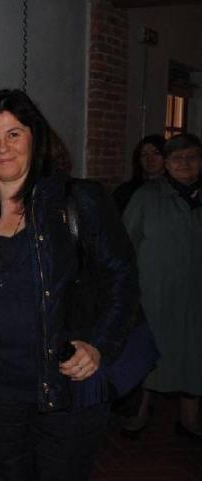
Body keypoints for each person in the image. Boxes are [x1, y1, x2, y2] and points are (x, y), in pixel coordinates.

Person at [0, 89, 139, 481]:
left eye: (14, 134)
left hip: (66, 385)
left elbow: (122, 279)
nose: (3, 148)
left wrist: (99, 344)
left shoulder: (78, 201)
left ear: (35, 139)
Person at [123, 133, 202, 439]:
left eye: (192, 157)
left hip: (195, 296)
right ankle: (139, 413)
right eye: (177, 158)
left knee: (195, 356)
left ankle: (189, 418)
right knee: (149, 355)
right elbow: (125, 244)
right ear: (166, 163)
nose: (185, 163)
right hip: (156, 295)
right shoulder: (146, 197)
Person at [112, 134, 166, 212]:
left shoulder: (174, 189)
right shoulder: (125, 192)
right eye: (144, 154)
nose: (150, 159)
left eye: (156, 153)